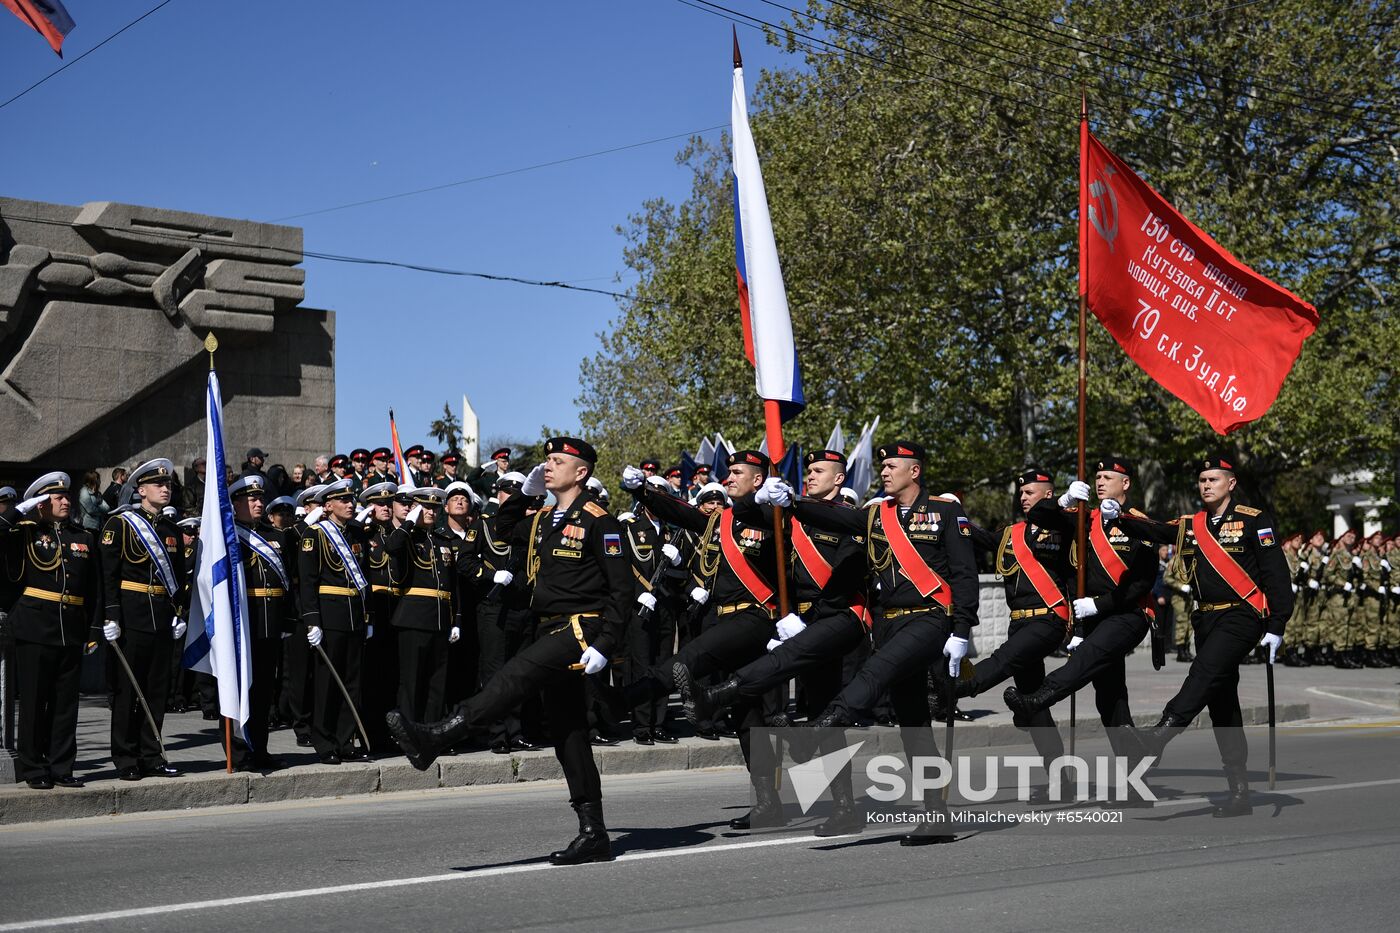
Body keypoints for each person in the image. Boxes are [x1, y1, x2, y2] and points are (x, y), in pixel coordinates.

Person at [387, 437, 631, 866]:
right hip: (548, 627)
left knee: (512, 677)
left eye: (558, 462)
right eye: (547, 460)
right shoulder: (543, 520)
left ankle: (439, 735)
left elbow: (622, 590)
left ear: (582, 472)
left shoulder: (600, 522)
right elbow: (501, 527)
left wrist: (606, 644)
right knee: (569, 733)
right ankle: (594, 832)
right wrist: (524, 491)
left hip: (579, 630)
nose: (548, 466)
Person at [786, 441, 978, 844]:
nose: (885, 471)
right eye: (883, 466)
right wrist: (792, 504)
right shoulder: (875, 514)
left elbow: (964, 574)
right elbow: (834, 519)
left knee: (877, 670)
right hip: (888, 623)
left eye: (892, 466)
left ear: (915, 470)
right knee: (913, 725)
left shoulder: (945, 511)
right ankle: (936, 815)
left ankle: (826, 723)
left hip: (928, 619)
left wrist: (962, 630)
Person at [681, 449, 871, 836]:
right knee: (760, 712)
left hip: (825, 624)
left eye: (819, 471)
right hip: (786, 623)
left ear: (838, 479)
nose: (810, 476)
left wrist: (807, 621)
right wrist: (759, 497)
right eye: (810, 470)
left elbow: (847, 578)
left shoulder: (849, 519)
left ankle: (844, 805)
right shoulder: (789, 515)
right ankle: (767, 802)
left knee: (822, 713)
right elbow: (746, 517)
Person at [1114, 456, 1294, 816]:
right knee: (1221, 699)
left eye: (1213, 479)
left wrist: (1277, 624)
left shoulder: (1253, 520)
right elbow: (1151, 530)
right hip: (1206, 619)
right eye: (1202, 480)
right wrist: (1116, 516)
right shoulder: (1190, 524)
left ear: (1231, 483)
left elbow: (1277, 575)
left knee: (1203, 672)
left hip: (1242, 615)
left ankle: (1160, 735)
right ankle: (1239, 790)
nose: (1206, 485)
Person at [621, 450, 786, 829]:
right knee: (748, 716)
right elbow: (680, 512)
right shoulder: (719, 521)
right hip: (725, 621)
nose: (728, 477)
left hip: (757, 618)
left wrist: (775, 503)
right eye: (728, 471)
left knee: (690, 660)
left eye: (737, 472)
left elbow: (785, 545)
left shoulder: (772, 515)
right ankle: (768, 802)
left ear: (758, 480)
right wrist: (643, 491)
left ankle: (629, 698)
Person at [1003, 457, 1157, 791]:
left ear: (1126, 483)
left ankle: (1040, 700)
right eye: (1097, 476)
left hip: (1119, 614)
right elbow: (1039, 515)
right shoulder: (1083, 518)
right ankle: (1134, 779)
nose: (1099, 482)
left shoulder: (1137, 523)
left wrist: (1098, 605)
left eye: (1108, 476)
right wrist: (1064, 500)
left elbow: (1142, 582)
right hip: (1088, 621)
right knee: (1111, 698)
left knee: (1104, 685)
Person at [944, 468, 1070, 803]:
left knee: (1003, 659)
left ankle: (957, 689)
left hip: (1048, 619)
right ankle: (1062, 778)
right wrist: (954, 515)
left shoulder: (1065, 525)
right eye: (1022, 492)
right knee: (1034, 701)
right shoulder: (1013, 533)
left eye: (1031, 492)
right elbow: (981, 537)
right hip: (1019, 621)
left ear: (1048, 493)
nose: (1023, 497)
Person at [2, 473, 101, 789]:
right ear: (41, 504)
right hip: (34, 627)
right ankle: (33, 767)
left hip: (70, 628)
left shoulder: (83, 536)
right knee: (33, 702)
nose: (65, 500)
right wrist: (18, 511)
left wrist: (94, 629)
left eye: (66, 496)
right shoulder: (25, 533)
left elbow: (94, 587)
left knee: (65, 704)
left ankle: (61, 766)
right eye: (56, 497)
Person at [99, 459, 188, 781]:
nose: (165, 489)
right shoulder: (121, 524)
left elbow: (178, 578)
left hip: (161, 616)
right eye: (158, 485)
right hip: (131, 613)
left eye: (168, 486)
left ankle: (152, 754)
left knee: (155, 690)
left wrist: (178, 613)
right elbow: (108, 575)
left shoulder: (171, 530)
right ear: (141, 490)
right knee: (127, 691)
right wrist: (110, 614)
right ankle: (125, 758)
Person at [298, 479, 372, 764]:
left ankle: (345, 740)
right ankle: (325, 741)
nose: (350, 504)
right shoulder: (315, 534)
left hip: (354, 612)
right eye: (343, 500)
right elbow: (307, 582)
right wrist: (312, 620)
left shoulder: (355, 534)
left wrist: (368, 617)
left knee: (352, 682)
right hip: (329, 616)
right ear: (328, 506)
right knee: (329, 682)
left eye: (351, 499)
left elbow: (363, 577)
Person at [467, 471, 540, 753]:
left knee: (519, 673)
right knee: (496, 673)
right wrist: (490, 575)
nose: (514, 497)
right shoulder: (485, 525)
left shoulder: (531, 527)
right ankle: (497, 734)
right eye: (509, 492)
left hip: (523, 607)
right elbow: (465, 561)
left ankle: (515, 731)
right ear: (499, 494)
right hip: (494, 608)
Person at [229, 475, 295, 771]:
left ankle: (261, 749)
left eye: (260, 498)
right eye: (251, 499)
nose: (259, 503)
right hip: (244, 621)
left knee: (264, 690)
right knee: (240, 689)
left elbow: (288, 582)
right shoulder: (228, 536)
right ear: (236, 503)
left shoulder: (276, 535)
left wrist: (288, 619)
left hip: (270, 621)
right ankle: (240, 752)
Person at [385, 486, 461, 727]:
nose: (431, 512)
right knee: (412, 680)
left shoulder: (442, 540)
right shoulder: (407, 536)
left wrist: (456, 619)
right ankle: (409, 730)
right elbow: (391, 547)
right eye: (426, 507)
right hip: (414, 617)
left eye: (434, 508)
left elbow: (453, 585)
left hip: (440, 617)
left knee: (437, 681)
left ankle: (432, 731)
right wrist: (408, 522)